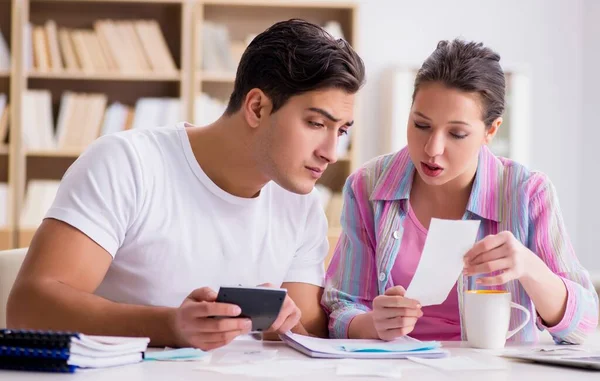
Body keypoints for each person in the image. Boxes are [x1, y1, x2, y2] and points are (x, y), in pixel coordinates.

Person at [7, 19, 365, 350]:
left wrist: (282, 327)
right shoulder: (127, 164)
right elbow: (28, 307)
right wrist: (171, 326)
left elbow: (305, 340)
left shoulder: (301, 205)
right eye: (317, 124)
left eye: (343, 130)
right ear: (257, 107)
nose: (332, 153)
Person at [321, 38, 598, 344]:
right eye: (421, 125)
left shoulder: (528, 194)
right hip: (397, 369)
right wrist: (370, 323)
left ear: (491, 131)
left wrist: (530, 267)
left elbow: (585, 327)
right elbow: (339, 309)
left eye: (457, 133)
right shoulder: (367, 186)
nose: (432, 149)